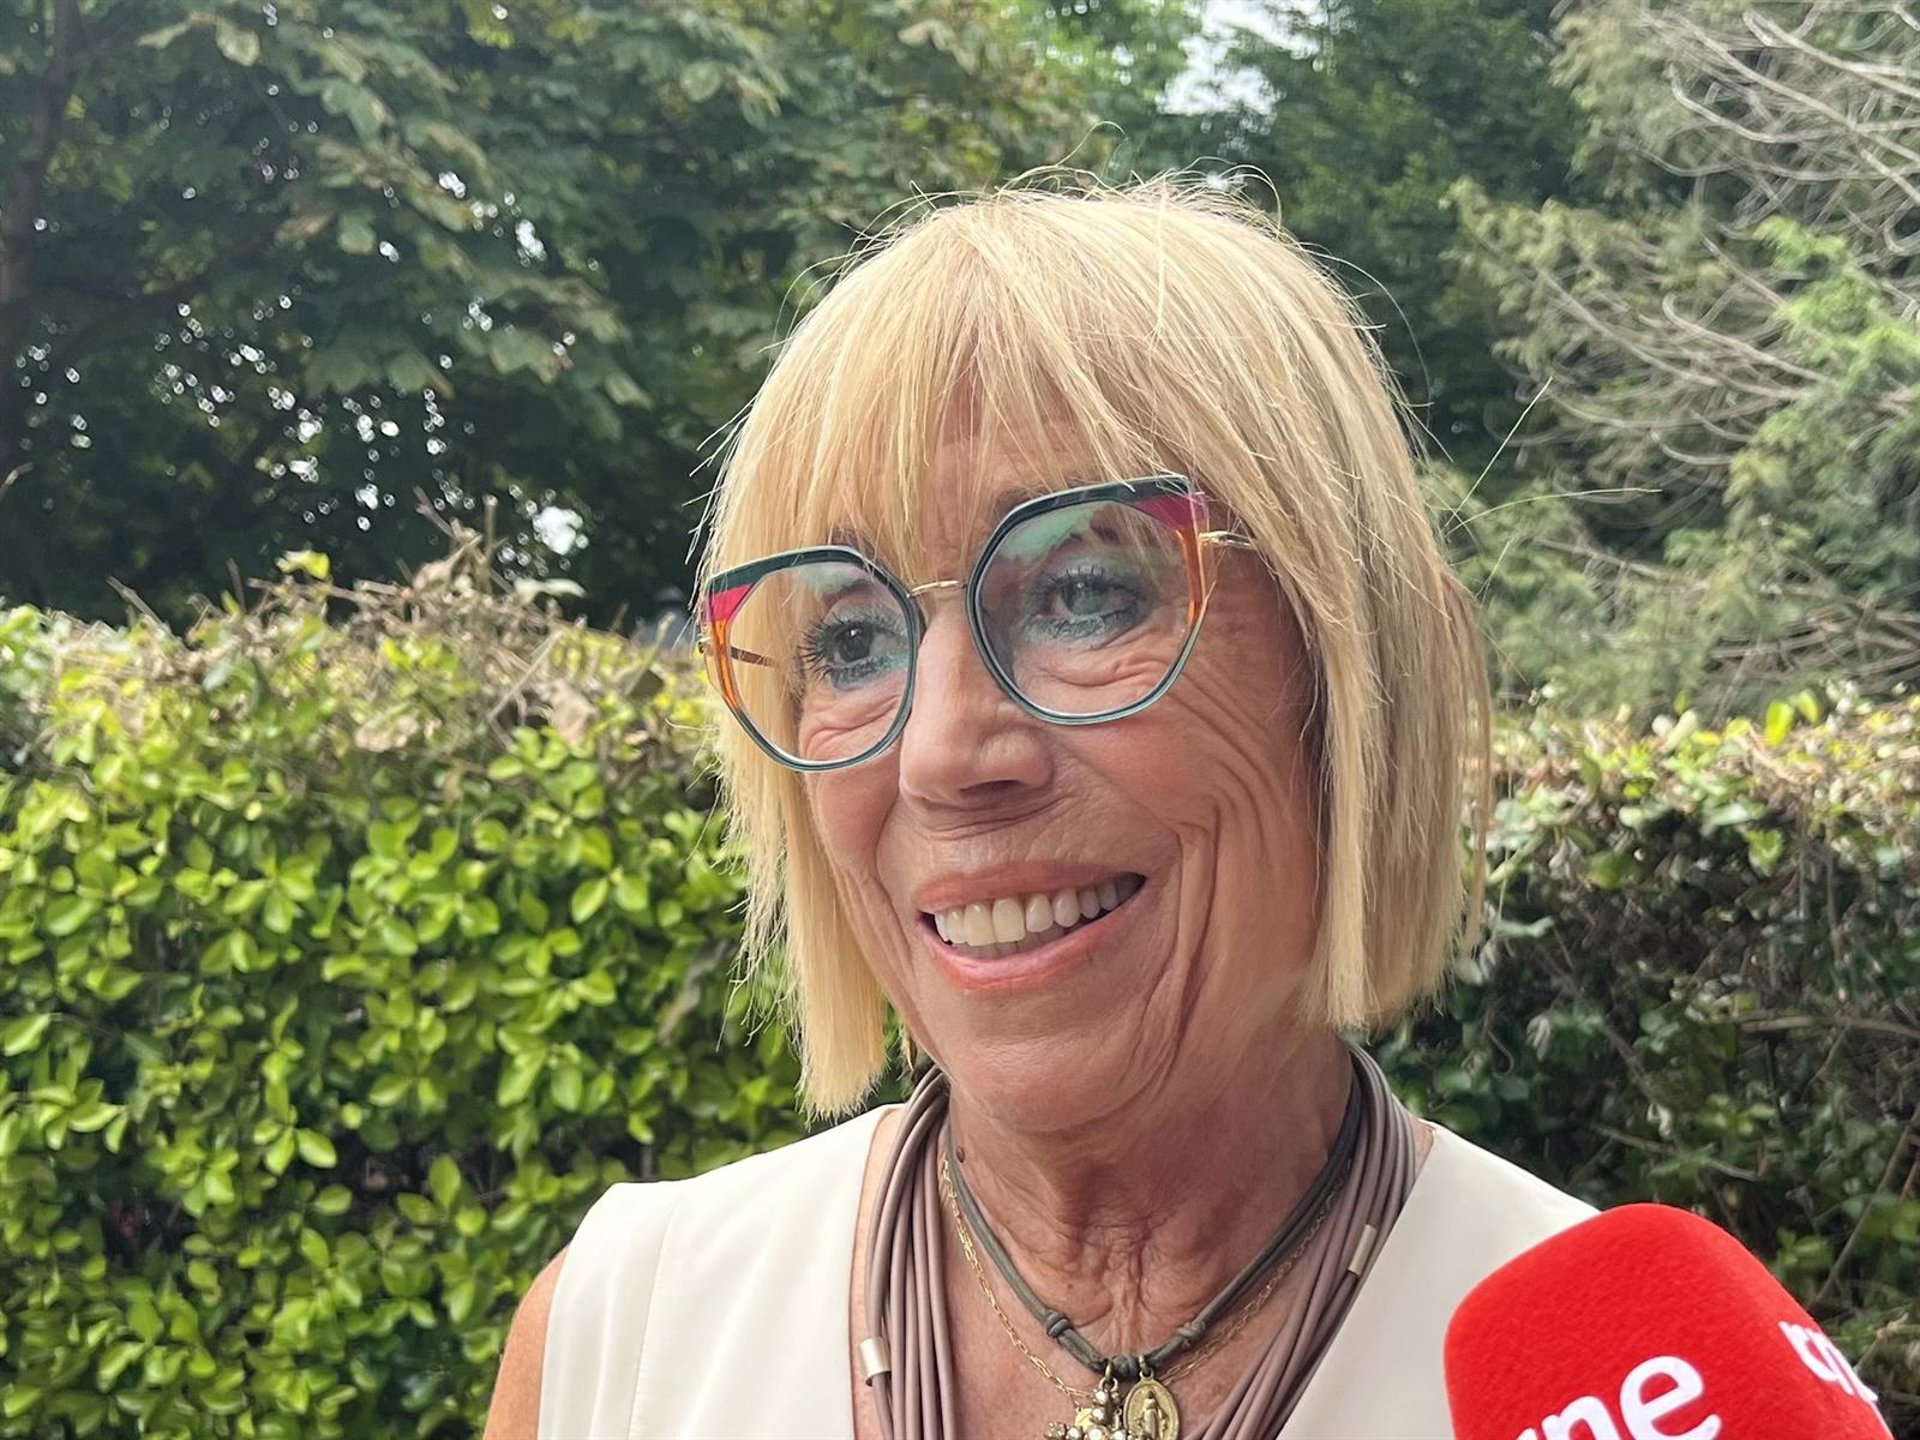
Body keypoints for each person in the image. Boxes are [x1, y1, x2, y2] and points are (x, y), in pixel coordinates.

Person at [483, 177, 1593, 1440]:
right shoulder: (625, 1341)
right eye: (850, 638)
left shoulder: (1618, 1382)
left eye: (1085, 592)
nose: (939, 753)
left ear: (1353, 676)